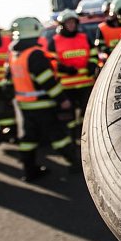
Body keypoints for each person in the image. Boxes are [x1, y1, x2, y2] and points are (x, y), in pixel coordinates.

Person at [7, 17, 80, 181]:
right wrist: (62, 99)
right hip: (43, 105)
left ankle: (29, 171)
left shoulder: (15, 54)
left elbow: (9, 80)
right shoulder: (35, 54)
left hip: (25, 106)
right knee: (58, 136)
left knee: (28, 139)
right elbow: (47, 81)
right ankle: (75, 163)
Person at [47, 9, 98, 144]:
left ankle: (85, 138)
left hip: (86, 84)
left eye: (73, 22)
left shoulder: (84, 37)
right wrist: (64, 68)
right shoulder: (55, 41)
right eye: (68, 23)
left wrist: (92, 64)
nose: (71, 25)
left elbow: (93, 55)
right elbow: (51, 62)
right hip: (66, 86)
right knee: (67, 116)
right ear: (62, 25)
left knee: (87, 113)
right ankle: (71, 138)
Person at [93, 0, 121, 68]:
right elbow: (100, 48)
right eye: (107, 12)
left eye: (111, 10)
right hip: (109, 63)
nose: (109, 13)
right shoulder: (102, 28)